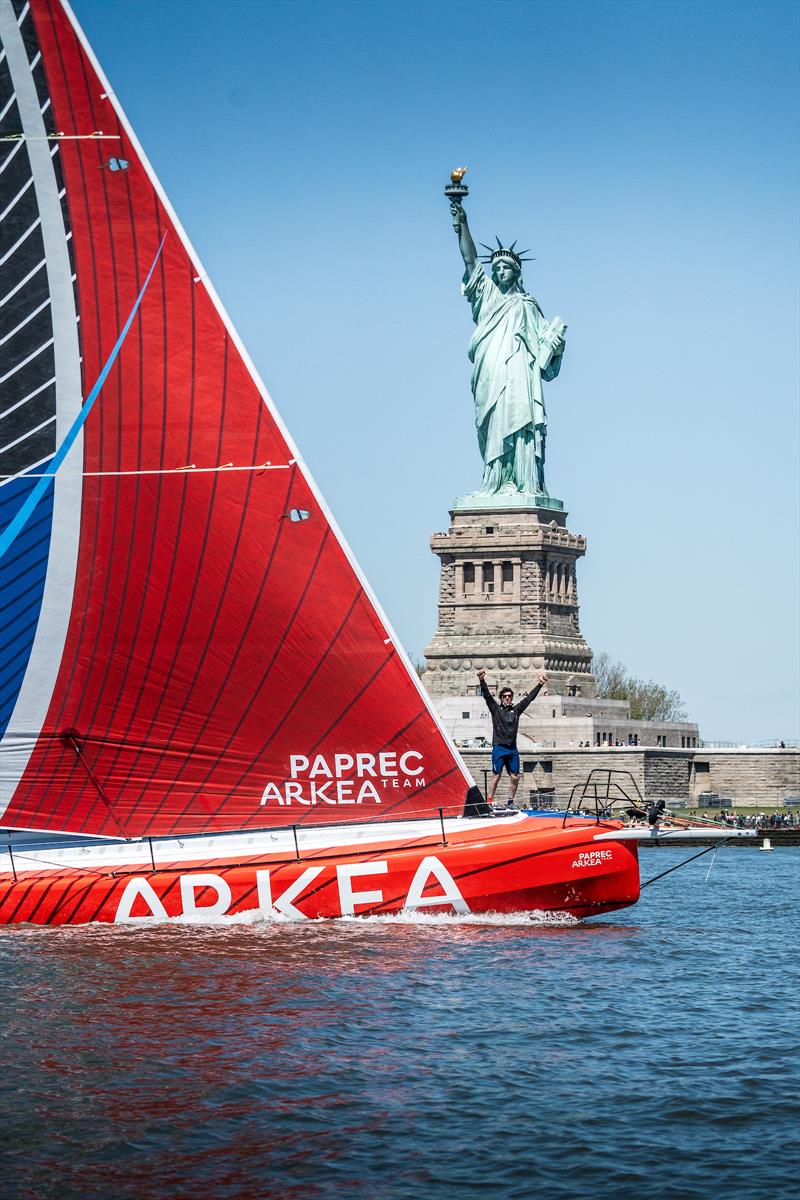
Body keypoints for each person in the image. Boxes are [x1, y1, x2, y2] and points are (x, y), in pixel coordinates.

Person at [450, 200, 565, 497]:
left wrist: (556, 344)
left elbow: (545, 352)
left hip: (519, 376)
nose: (499, 272)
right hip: (490, 370)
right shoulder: (487, 296)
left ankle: (524, 483)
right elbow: (470, 262)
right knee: (493, 424)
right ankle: (494, 483)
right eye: (496, 268)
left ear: (516, 272)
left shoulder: (527, 305)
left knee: (521, 424)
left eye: (506, 268)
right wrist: (461, 221)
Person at [477, 668, 548, 805]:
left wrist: (540, 684)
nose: (508, 698)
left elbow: (529, 699)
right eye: (505, 696)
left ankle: (510, 801)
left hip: (512, 749)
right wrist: (481, 680)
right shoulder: (495, 709)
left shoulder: (516, 710)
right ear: (501, 698)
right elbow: (486, 695)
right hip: (499, 748)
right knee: (496, 775)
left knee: (515, 777)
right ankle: (489, 801)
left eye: (510, 696)